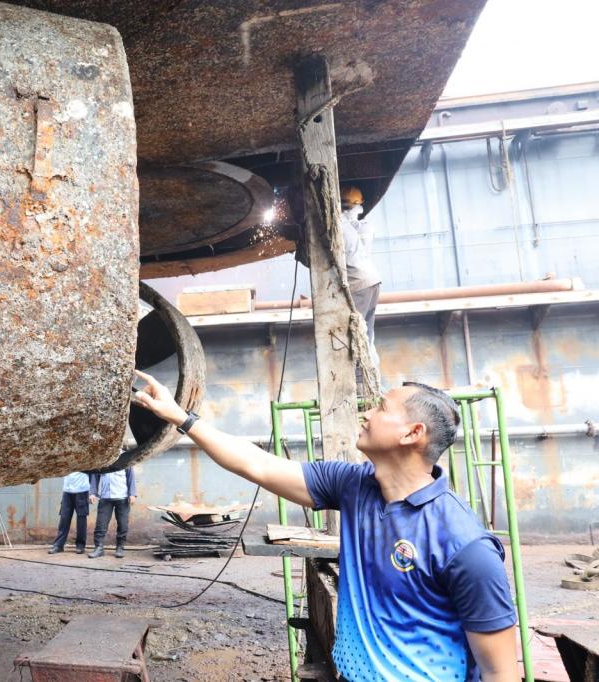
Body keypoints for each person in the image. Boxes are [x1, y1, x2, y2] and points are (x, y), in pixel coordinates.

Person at [131, 370, 518, 681]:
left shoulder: (464, 545)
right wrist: (181, 417)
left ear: (413, 434)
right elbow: (258, 465)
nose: (366, 413)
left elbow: (500, 670)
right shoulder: (353, 485)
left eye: (381, 408)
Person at [340, 185, 382, 381]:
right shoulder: (362, 226)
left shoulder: (339, 224)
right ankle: (372, 374)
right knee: (368, 332)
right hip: (373, 280)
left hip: (359, 283)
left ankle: (360, 379)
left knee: (355, 332)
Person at [87, 467, 136, 559]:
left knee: (123, 524)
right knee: (100, 525)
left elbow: (131, 477)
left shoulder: (125, 459)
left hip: (122, 498)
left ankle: (120, 548)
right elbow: (95, 475)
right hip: (105, 498)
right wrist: (92, 492)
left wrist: (132, 494)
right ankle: (99, 548)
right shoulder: (105, 459)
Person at [48, 472, 91, 554]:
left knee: (81, 519)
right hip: (67, 490)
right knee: (64, 518)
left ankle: (80, 545)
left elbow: (93, 473)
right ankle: (58, 545)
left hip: (82, 490)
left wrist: (93, 492)